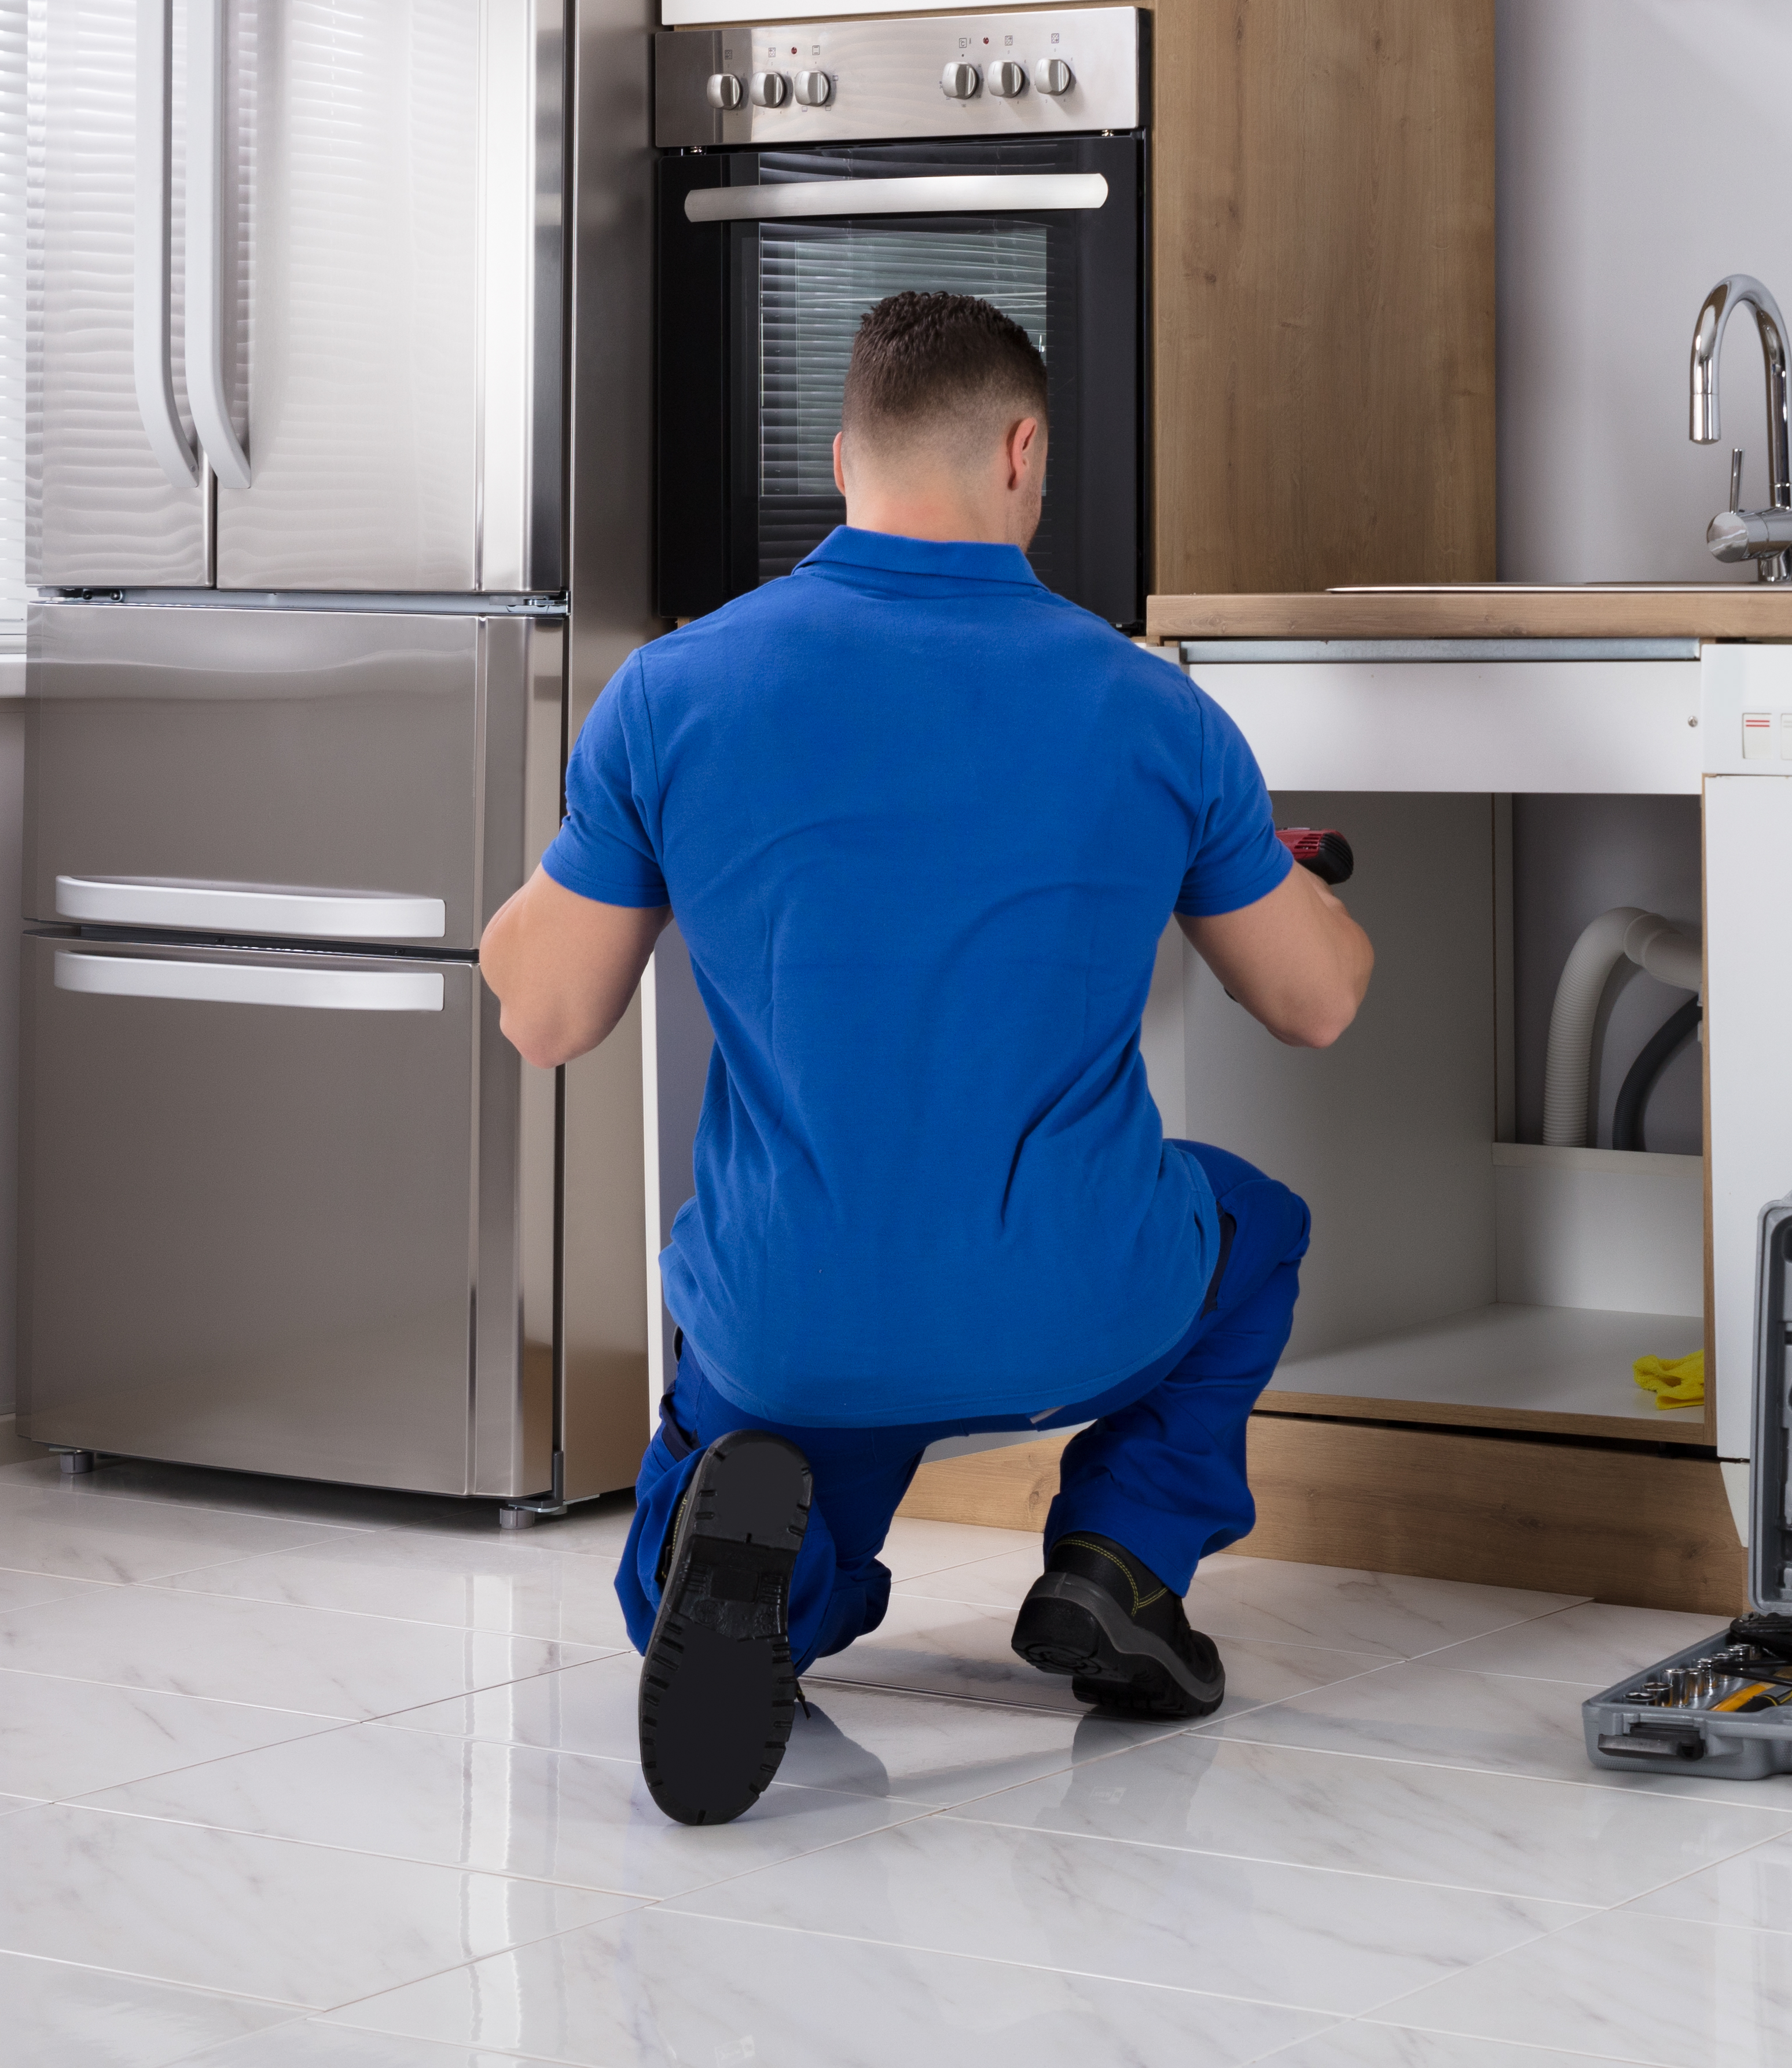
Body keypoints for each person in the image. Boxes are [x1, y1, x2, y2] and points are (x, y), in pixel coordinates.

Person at [478, 288, 1372, 1827]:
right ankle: (1117, 1566)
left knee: (790, 1422)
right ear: (1024, 451)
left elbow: (546, 1017)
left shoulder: (672, 693)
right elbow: (1317, 1004)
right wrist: (1238, 860)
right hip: (1080, 1304)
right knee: (1256, 1227)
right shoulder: (1155, 711)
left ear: (841, 460)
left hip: (790, 1315)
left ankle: (763, 1561)